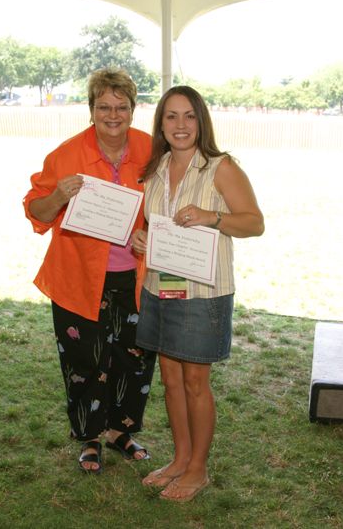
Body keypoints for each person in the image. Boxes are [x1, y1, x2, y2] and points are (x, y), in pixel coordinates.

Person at [131, 85, 264, 501]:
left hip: (204, 292)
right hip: (162, 285)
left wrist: (213, 217)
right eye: (171, 116)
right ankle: (181, 459)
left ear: (201, 120)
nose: (180, 125)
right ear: (161, 124)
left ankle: (198, 470)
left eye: (189, 116)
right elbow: (158, 229)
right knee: (170, 379)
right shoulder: (156, 167)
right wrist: (143, 240)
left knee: (194, 382)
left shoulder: (220, 168)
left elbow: (254, 223)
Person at [23, 68, 156, 474]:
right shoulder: (66, 154)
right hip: (78, 278)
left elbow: (166, 208)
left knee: (133, 360)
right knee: (85, 363)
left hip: (135, 277)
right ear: (91, 109)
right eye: (103, 107)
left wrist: (147, 234)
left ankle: (120, 431)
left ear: (133, 110)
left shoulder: (153, 151)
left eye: (121, 107)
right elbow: (36, 212)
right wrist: (59, 194)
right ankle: (90, 438)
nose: (112, 115)